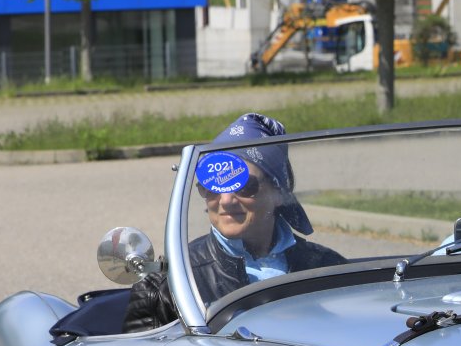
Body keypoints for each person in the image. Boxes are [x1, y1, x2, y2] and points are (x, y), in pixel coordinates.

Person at [124, 112, 345, 331]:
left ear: (279, 192)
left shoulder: (327, 267)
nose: (226, 200)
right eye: (213, 185)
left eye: (244, 185)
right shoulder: (166, 285)